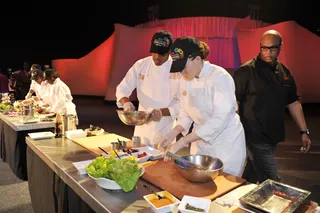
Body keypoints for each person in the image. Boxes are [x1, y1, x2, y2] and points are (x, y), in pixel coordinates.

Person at [157, 36, 246, 177]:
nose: (182, 73)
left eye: (183, 67)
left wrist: (184, 141)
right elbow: (186, 112)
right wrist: (173, 133)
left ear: (197, 59)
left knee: (224, 189)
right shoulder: (185, 80)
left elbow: (219, 119)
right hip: (199, 140)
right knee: (197, 182)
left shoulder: (220, 77)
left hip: (226, 143)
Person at [233, 30, 312, 183]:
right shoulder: (246, 71)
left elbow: (293, 103)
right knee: (272, 181)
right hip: (253, 135)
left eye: (272, 48)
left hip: (273, 135)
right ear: (260, 46)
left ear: (280, 47)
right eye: (264, 48)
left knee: (252, 175)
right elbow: (233, 104)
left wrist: (304, 131)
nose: (268, 52)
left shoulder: (284, 72)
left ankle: (236, 200)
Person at [115, 30, 181, 147]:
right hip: (142, 127)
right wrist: (126, 103)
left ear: (170, 52)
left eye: (162, 54)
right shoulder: (141, 65)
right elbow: (122, 88)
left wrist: (161, 112)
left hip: (165, 128)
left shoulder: (177, 70)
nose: (157, 57)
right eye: (154, 52)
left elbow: (183, 103)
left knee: (162, 163)